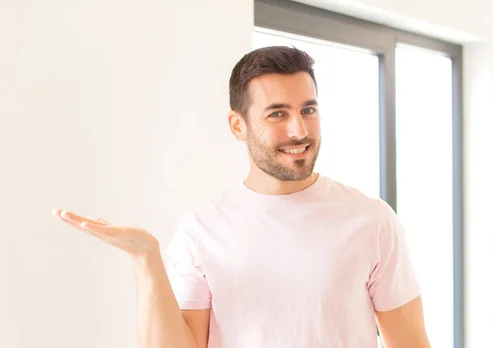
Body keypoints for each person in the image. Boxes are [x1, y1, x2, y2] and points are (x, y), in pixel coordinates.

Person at [52, 46, 431, 348]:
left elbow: (411, 344)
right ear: (238, 125)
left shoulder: (372, 220)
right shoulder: (202, 230)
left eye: (308, 109)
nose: (298, 129)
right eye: (277, 114)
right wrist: (145, 258)